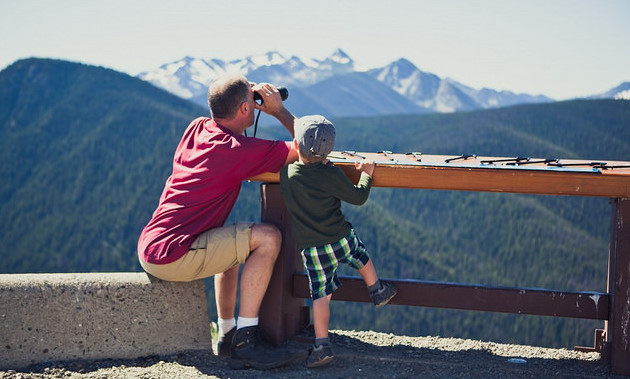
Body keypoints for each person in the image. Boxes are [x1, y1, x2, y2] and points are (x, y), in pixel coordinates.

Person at [137, 73, 301, 369]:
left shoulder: (196, 128)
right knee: (268, 238)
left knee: (233, 241)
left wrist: (241, 98)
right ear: (243, 109)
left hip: (152, 245)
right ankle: (246, 342)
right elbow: (308, 145)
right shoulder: (237, 151)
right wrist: (278, 110)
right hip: (174, 256)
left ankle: (226, 335)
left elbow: (225, 115)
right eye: (251, 101)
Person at [279, 115, 398, 368]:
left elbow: (303, 174)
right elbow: (358, 197)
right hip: (340, 238)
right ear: (328, 150)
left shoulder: (286, 174)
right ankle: (377, 290)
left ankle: (322, 346)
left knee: (321, 295)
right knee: (360, 255)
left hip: (312, 249)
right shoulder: (332, 174)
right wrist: (366, 173)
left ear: (296, 146)